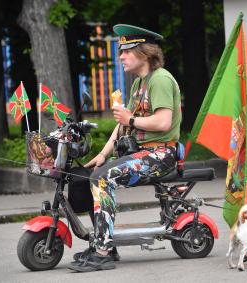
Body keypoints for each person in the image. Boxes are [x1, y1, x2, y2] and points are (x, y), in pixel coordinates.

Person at [68, 24, 182, 272]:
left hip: (161, 153)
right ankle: (102, 241)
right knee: (89, 175)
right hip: (144, 153)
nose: (120, 56)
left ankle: (103, 251)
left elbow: (162, 122)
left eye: (125, 50)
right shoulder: (138, 84)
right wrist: (102, 154)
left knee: (101, 179)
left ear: (144, 51)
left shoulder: (160, 79)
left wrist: (130, 119)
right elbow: (122, 125)